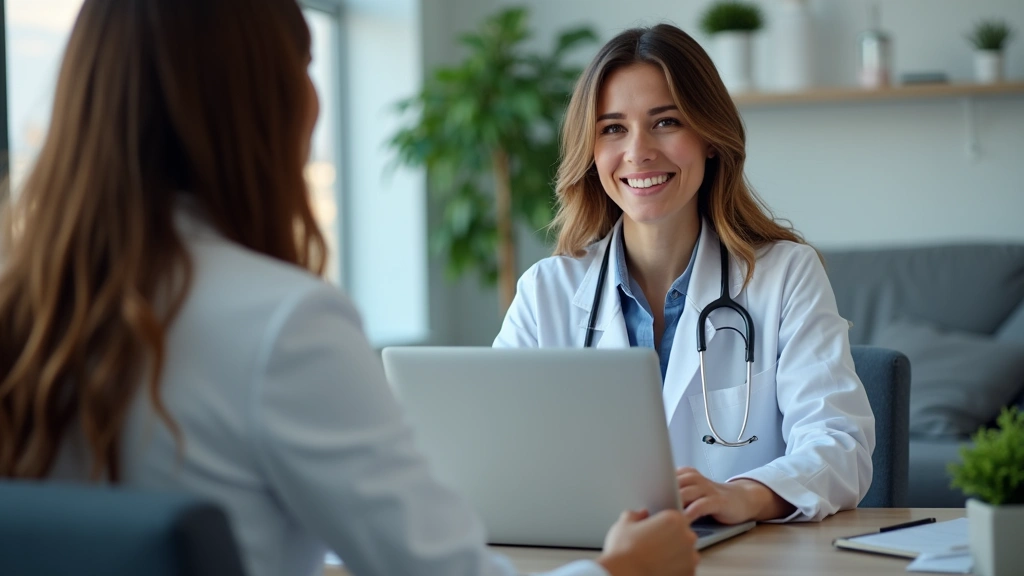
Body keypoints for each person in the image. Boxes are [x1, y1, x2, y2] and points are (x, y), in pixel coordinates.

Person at [0, 2, 699, 576]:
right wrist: (621, 574)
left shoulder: (27, 313)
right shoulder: (282, 326)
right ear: (257, 101)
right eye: (303, 66)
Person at [494, 24, 875, 525]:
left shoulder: (785, 276)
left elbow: (839, 444)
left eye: (666, 122)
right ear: (591, 152)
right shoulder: (546, 291)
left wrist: (743, 496)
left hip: (738, 557)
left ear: (710, 138)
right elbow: (496, 451)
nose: (638, 152)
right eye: (613, 128)